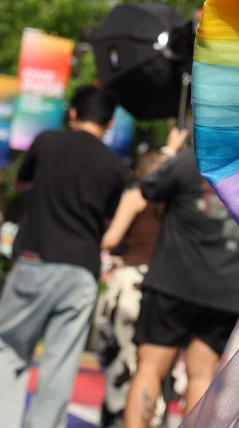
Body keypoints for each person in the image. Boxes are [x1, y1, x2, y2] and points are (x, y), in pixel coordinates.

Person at [0, 85, 129, 428]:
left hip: (37, 257)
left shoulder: (47, 142)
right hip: (81, 270)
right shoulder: (116, 167)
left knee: (9, 348)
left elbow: (21, 183)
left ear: (73, 113)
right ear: (108, 124)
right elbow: (106, 219)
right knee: (61, 364)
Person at [123, 127, 239, 428]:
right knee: (202, 375)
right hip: (226, 288)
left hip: (174, 283)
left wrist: (170, 150)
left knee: (151, 368)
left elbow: (149, 186)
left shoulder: (190, 161)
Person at [97, 149, 167, 428]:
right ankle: (153, 417)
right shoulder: (175, 203)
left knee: (120, 359)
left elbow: (111, 238)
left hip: (129, 284)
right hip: (161, 286)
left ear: (140, 172)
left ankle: (118, 415)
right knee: (151, 362)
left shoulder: (135, 197)